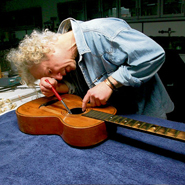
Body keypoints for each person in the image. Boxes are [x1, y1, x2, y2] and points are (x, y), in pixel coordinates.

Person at [7, 17, 174, 119]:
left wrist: (109, 83)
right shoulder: (70, 60)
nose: (56, 76)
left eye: (50, 71)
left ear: (48, 49)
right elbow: (83, 88)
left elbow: (153, 54)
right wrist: (59, 87)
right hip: (112, 116)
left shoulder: (102, 31)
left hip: (144, 114)